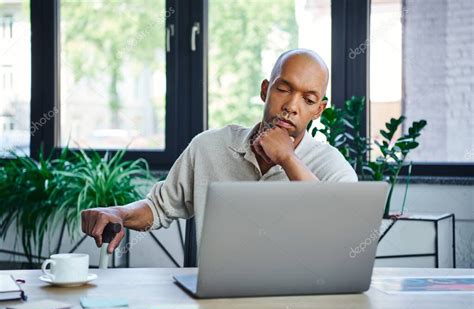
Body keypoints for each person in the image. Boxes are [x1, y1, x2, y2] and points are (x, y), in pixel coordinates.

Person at [81, 48, 358, 253]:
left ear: (319, 110)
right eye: (283, 89)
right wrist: (119, 212)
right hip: (216, 300)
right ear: (265, 90)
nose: (292, 106)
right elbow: (159, 207)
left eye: (308, 99)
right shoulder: (208, 147)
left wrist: (287, 158)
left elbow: (341, 234)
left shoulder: (332, 166)